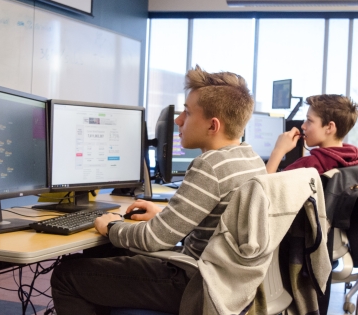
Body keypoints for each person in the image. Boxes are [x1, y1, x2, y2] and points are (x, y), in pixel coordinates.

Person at [50, 65, 267, 315]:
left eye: (187, 112)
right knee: (99, 259)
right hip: (227, 283)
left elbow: (153, 240)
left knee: (67, 275)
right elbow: (219, 226)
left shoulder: (210, 165)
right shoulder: (250, 158)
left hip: (195, 283)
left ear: (212, 126)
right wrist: (164, 218)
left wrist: (110, 225)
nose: (179, 121)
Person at [266, 94, 358, 174]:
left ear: (329, 127)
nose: (303, 126)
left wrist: (278, 151)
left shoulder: (306, 166)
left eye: (309, 121)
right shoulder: (354, 160)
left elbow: (261, 190)